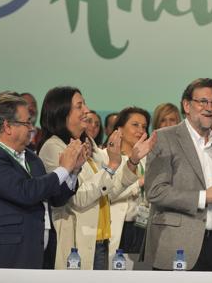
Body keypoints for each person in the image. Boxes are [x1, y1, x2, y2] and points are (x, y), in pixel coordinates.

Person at [0, 92, 82, 268]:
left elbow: (56, 198)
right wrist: (63, 168)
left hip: (35, 252)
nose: (31, 128)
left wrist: (73, 171)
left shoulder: (31, 158)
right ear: (8, 126)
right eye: (26, 122)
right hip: (0, 257)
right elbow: (25, 192)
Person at [38, 87, 147, 270]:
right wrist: (111, 166)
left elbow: (108, 192)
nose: (86, 110)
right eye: (79, 106)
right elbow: (77, 198)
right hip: (77, 243)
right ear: (62, 111)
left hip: (101, 239)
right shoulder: (53, 147)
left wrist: (132, 162)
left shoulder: (87, 143)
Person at [144, 78, 212, 271]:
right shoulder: (163, 138)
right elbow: (155, 191)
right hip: (176, 246)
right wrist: (203, 197)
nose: (209, 107)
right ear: (187, 105)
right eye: (202, 101)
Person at [109, 107, 157, 256]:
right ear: (120, 129)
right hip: (118, 226)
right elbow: (107, 193)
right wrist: (138, 183)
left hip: (142, 225)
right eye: (135, 125)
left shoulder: (148, 160)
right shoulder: (107, 157)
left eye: (144, 126)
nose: (140, 130)